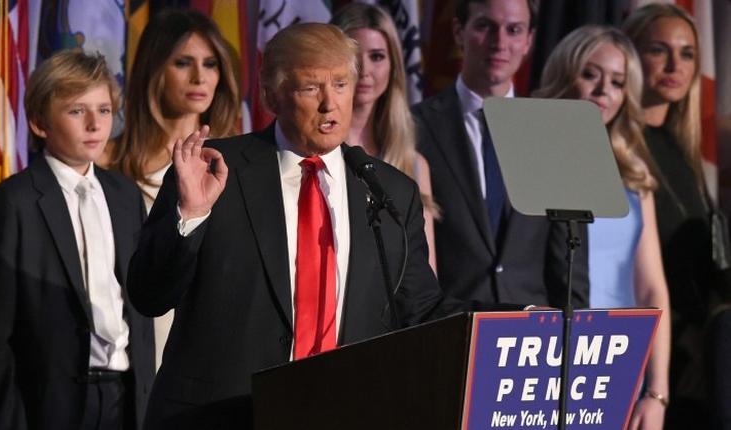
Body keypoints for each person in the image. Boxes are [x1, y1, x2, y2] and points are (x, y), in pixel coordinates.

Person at [128, 22, 513, 429]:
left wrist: (517, 320)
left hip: (341, 412)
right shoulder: (213, 172)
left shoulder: (388, 191)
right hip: (220, 417)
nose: (330, 104)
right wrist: (190, 215)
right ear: (271, 94)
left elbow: (423, 311)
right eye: (311, 88)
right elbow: (149, 295)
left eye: (342, 84)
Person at [0, 50, 154, 430]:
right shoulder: (14, 203)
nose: (94, 124)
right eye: (76, 111)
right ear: (39, 122)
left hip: (124, 395)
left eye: (104, 110)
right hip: (52, 405)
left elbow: (135, 305)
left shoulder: (124, 195)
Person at [534, 25, 671, 430]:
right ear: (565, 73)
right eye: (591, 75)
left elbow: (652, 288)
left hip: (621, 362)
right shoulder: (535, 160)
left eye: (616, 82)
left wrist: (657, 391)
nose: (602, 91)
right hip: (546, 360)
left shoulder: (635, 173)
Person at [412, 0, 589, 307]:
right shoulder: (415, 127)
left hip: (533, 338)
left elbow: (569, 264)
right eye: (485, 27)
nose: (500, 43)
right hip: (449, 333)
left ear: (529, 40)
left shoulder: (553, 134)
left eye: (514, 30)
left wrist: (571, 339)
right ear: (458, 31)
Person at [107, 8, 241, 368]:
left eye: (211, 64)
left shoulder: (235, 167)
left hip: (207, 356)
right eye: (183, 62)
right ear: (154, 70)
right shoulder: (109, 162)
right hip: (122, 353)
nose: (200, 77)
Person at [624, 4, 727, 427]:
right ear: (630, 55)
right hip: (645, 358)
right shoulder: (618, 152)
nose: (674, 65)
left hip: (699, 356)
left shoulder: (684, 154)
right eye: (658, 51)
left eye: (687, 54)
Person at [331, 3, 439, 272]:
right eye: (354, 54)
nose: (365, 70)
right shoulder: (311, 152)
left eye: (377, 56)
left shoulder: (414, 164)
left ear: (394, 66)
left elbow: (425, 272)